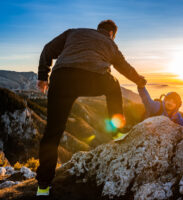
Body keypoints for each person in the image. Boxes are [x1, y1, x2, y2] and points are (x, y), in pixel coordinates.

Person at [35, 20, 147, 197]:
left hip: (61, 78)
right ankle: (117, 131)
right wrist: (140, 81)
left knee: (52, 132)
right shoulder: (110, 43)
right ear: (112, 33)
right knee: (114, 86)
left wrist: (43, 76)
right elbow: (125, 68)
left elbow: (47, 49)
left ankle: (43, 186)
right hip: (92, 78)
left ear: (99, 29)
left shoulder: (73, 32)